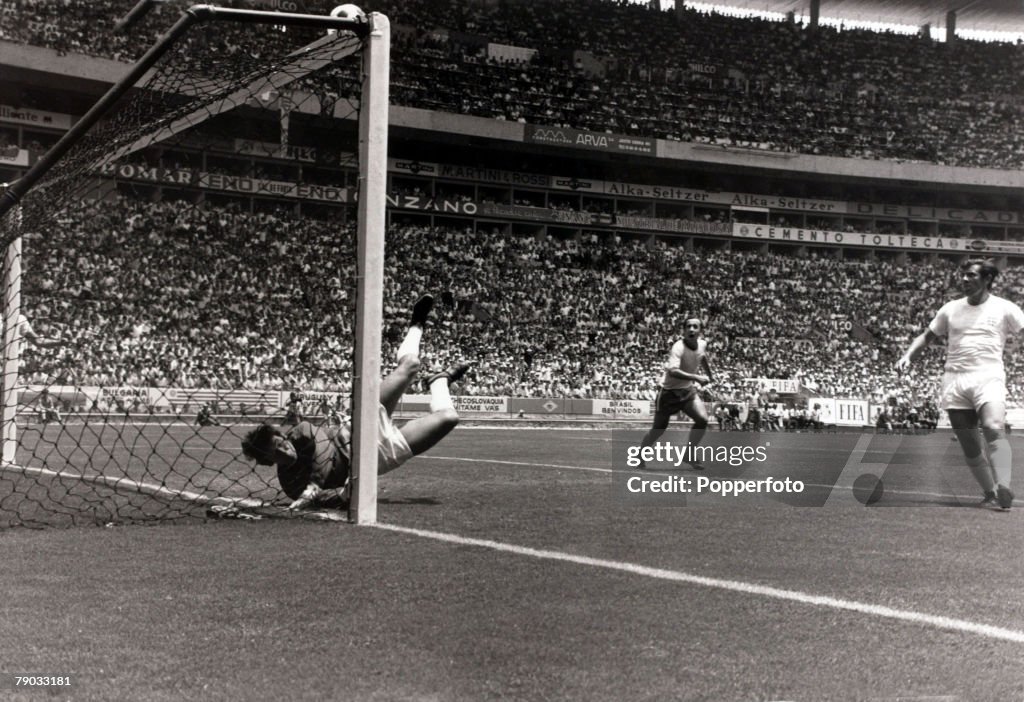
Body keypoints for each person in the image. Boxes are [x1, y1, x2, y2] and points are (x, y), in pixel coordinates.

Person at [241, 294, 468, 510]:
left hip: (359, 426)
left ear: (282, 436)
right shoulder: (291, 484)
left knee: (410, 366)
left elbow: (321, 446)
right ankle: (439, 381)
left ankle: (417, 321)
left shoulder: (300, 433)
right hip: (377, 457)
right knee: (449, 418)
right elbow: (326, 500)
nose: (285, 450)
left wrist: (315, 483)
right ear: (269, 462)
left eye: (281, 444)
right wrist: (343, 494)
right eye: (277, 453)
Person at [896, 259, 1023, 511]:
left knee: (993, 427)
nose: (964, 280)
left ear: (987, 279)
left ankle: (1004, 485)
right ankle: (990, 492)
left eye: (971, 276)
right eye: (963, 275)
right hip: (955, 379)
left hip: (989, 375)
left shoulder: (1005, 308)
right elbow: (926, 336)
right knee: (969, 443)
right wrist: (908, 356)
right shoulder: (951, 309)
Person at [638, 316, 714, 469]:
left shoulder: (702, 344)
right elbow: (672, 371)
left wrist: (710, 375)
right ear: (684, 330)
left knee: (702, 420)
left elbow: (702, 356)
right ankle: (640, 454)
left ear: (700, 331)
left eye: (695, 327)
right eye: (688, 327)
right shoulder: (678, 347)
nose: (691, 329)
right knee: (658, 430)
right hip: (669, 393)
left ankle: (689, 454)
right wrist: (696, 377)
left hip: (687, 391)